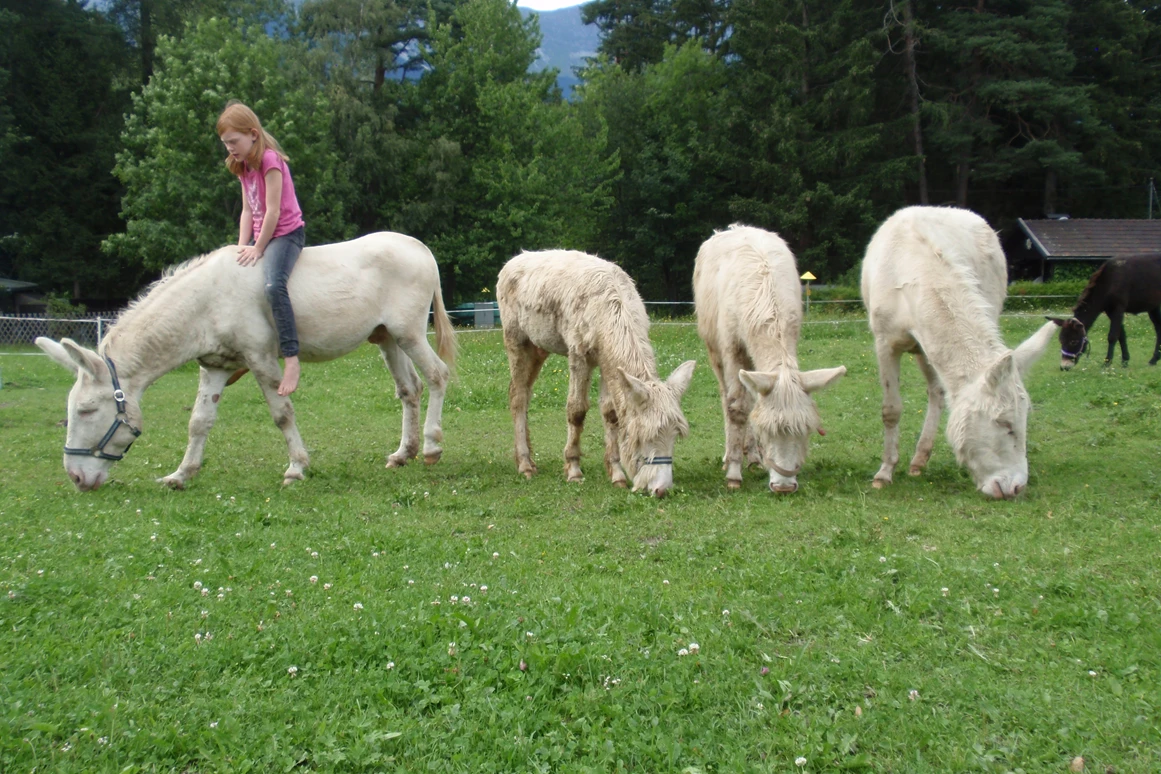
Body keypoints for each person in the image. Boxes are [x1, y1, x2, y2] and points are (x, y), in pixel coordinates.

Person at [216, 101, 306, 396]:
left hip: (286, 235)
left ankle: (291, 359)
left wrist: (258, 248)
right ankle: (248, 353)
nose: (230, 148)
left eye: (234, 141)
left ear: (252, 134)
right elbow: (246, 211)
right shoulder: (241, 166)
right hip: (260, 236)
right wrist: (241, 247)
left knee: (273, 286)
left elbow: (272, 213)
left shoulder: (270, 161)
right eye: (225, 143)